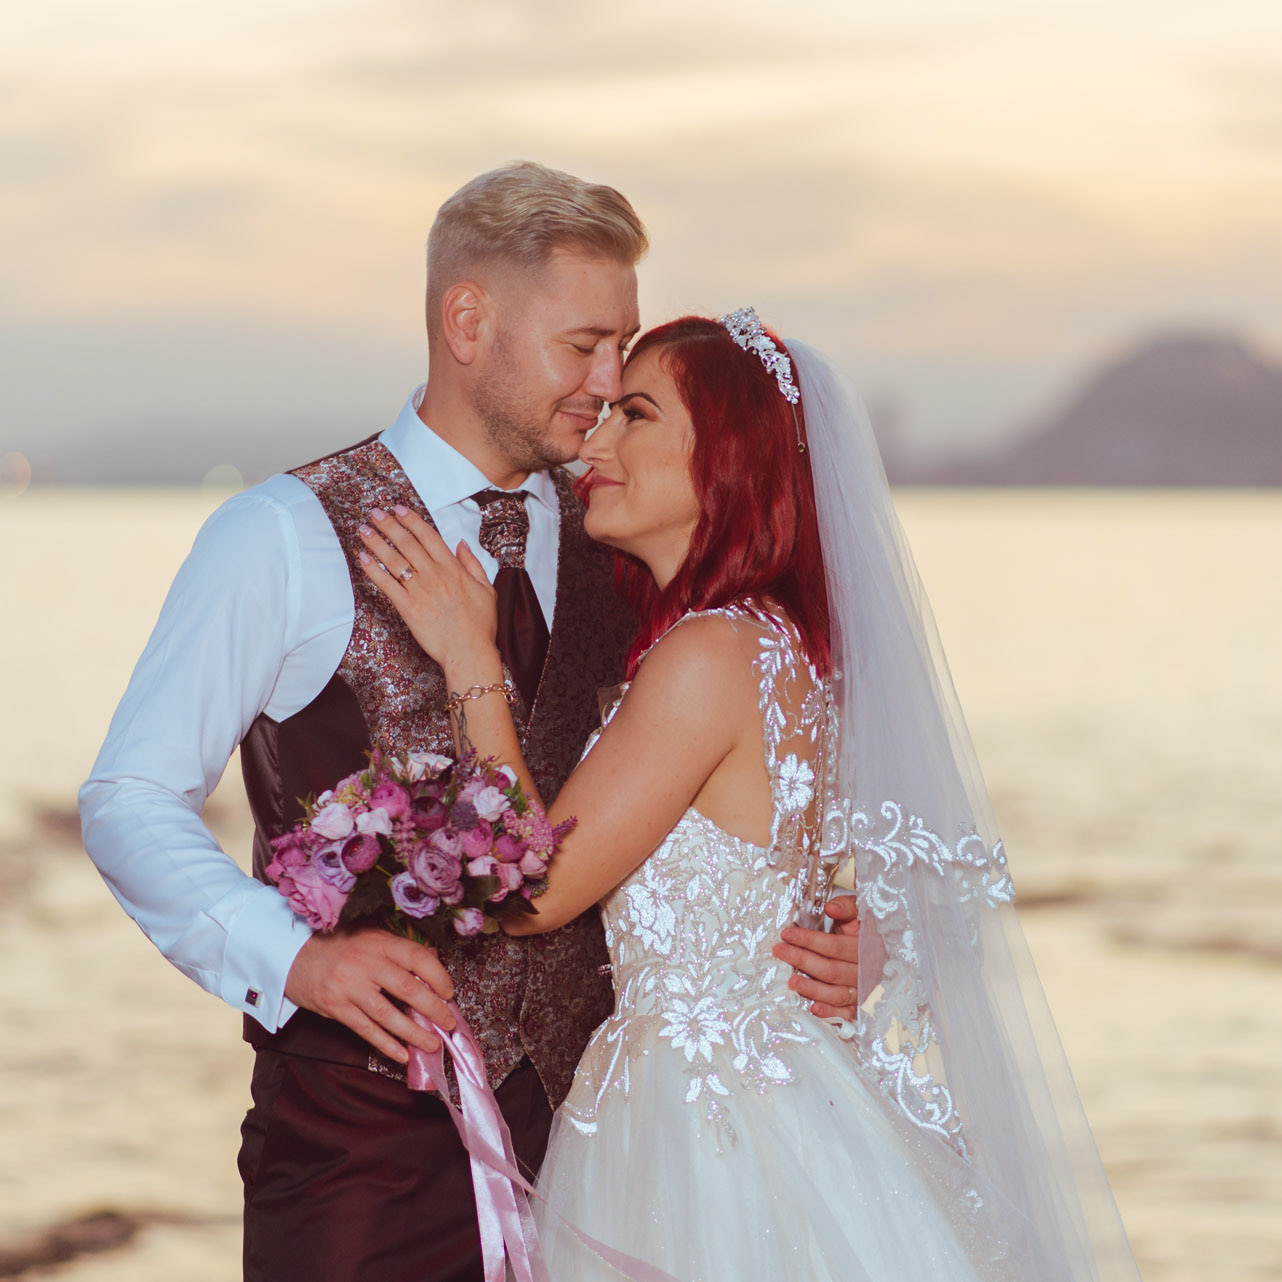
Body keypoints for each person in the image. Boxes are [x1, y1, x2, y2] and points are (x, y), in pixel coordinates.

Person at [76, 163, 861, 1282]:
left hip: (616, 1164)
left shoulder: (626, 544)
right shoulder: (281, 537)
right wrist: (296, 961)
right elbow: (128, 798)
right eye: (583, 344)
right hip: (361, 1163)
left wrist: (837, 920)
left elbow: (752, 767)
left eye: (624, 350)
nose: (606, 383)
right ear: (466, 320)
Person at [358, 309, 1144, 1280]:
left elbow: (533, 890)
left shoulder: (707, 657)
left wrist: (469, 653)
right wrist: (878, 937)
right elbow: (897, 871)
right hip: (791, 1099)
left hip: (703, 1126)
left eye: (635, 414)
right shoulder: (788, 649)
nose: (596, 439)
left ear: (723, 459)